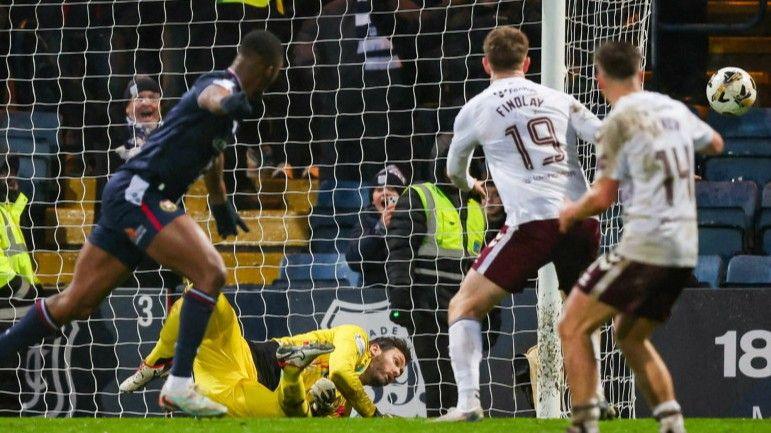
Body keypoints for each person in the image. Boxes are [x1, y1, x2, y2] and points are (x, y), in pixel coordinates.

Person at [0, 29, 284, 417]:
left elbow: (214, 154)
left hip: (126, 194)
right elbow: (211, 97)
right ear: (268, 70)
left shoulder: (228, 112)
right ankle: (179, 384)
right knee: (211, 273)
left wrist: (220, 202)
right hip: (143, 193)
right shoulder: (222, 85)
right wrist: (227, 103)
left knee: (76, 303)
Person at [557, 41, 724, 433]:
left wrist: (571, 211)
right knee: (628, 336)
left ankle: (584, 422)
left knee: (571, 325)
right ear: (639, 71)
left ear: (599, 79)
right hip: (684, 249)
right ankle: (672, 422)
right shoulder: (672, 108)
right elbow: (715, 144)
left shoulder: (618, 121)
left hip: (647, 245)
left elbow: (602, 198)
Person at [440, 26, 603, 421]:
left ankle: (468, 404)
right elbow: (604, 136)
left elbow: (454, 170)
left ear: (486, 64)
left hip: (533, 221)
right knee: (580, 312)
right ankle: (593, 399)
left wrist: (473, 186)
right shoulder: (560, 98)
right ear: (527, 62)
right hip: (581, 219)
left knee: (463, 305)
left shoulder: (476, 108)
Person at [119, 292, 410, 418]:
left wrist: (320, 409)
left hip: (254, 395)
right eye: (397, 362)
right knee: (210, 299)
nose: (397, 373)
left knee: (294, 419)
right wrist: (375, 417)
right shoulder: (356, 337)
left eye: (400, 374)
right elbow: (341, 372)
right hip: (246, 358)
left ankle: (291, 374)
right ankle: (158, 360)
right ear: (375, 349)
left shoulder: (344, 408)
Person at [385, 137, 498, 417]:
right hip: (428, 309)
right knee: (440, 385)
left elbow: (485, 264)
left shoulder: (477, 207)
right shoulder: (419, 195)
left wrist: (494, 313)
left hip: (466, 311)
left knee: (464, 389)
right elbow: (400, 252)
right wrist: (401, 304)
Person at [345, 165, 407, 287]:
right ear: (373, 200)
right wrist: (379, 230)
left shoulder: (413, 219)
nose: (384, 193)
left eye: (391, 189)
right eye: (379, 190)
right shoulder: (366, 220)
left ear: (401, 197)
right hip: (373, 290)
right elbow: (353, 259)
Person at [0, 154, 40, 317]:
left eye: (13, 171)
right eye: (4, 172)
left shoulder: (10, 212)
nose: (11, 177)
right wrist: (24, 288)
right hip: (9, 296)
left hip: (17, 297)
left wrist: (34, 287)